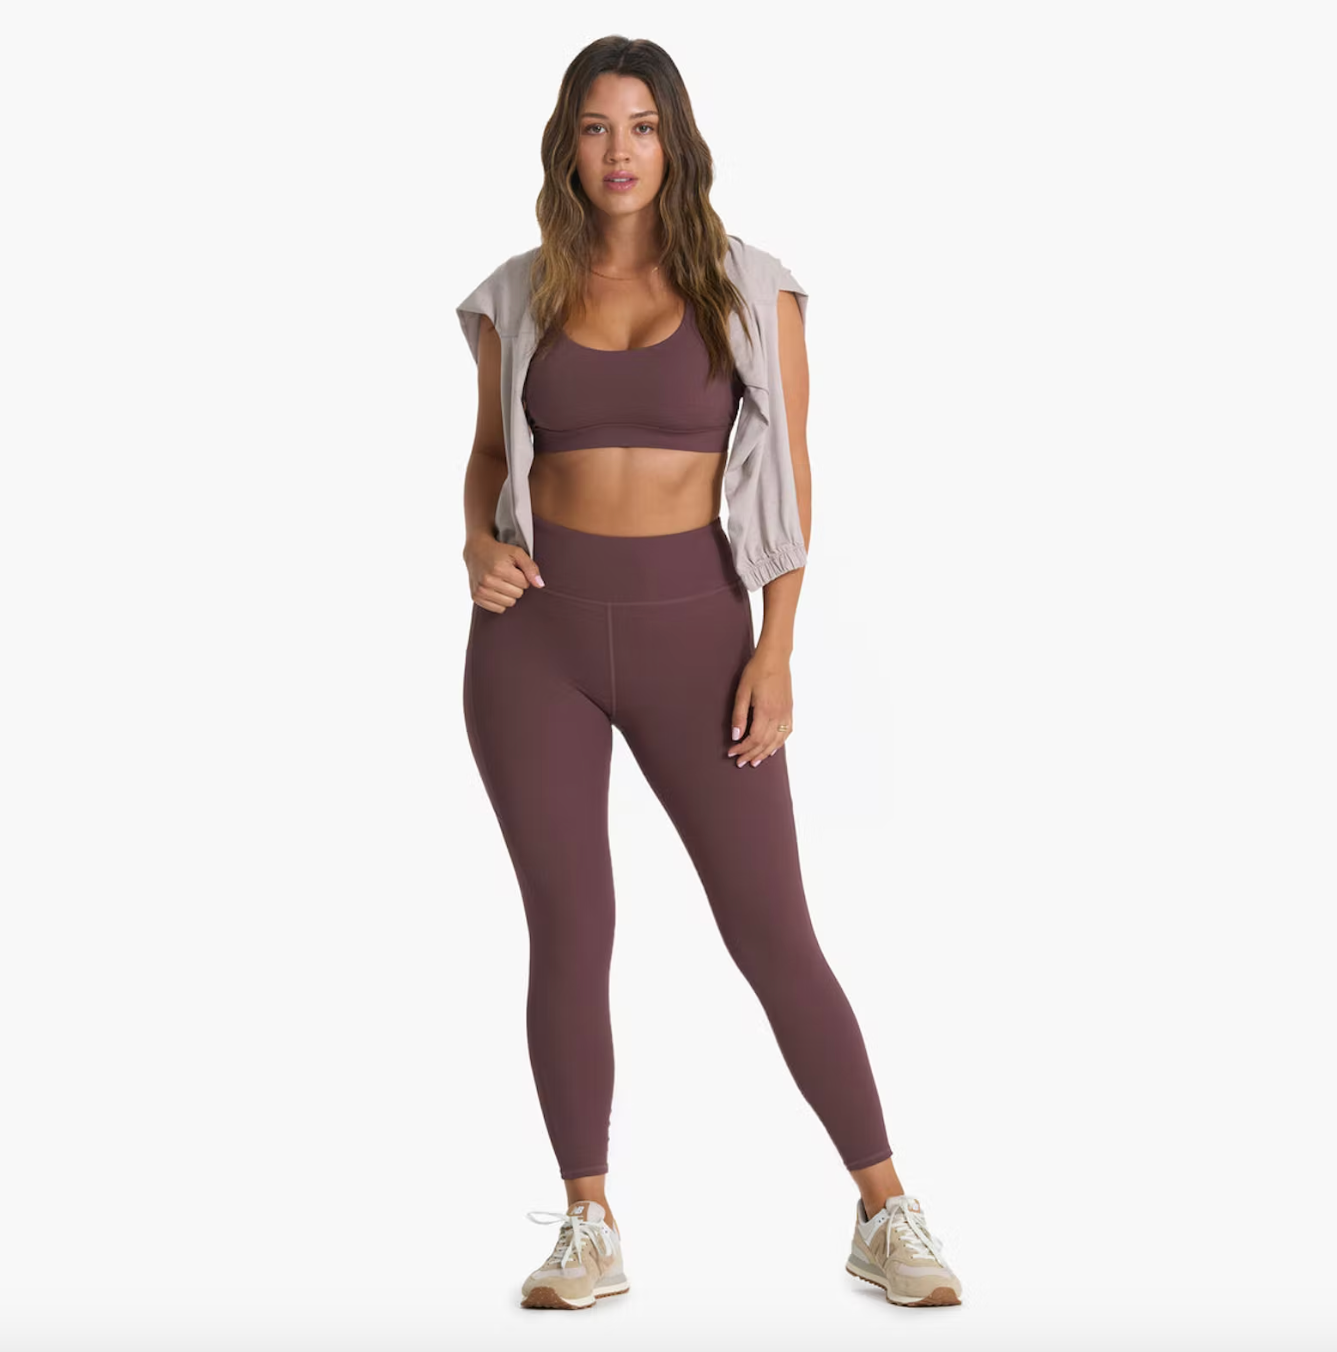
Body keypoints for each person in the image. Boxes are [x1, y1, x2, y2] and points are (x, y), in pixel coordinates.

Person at [457, 35, 963, 1312]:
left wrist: (775, 650)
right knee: (571, 924)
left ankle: (884, 1206)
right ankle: (586, 1220)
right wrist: (474, 541)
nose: (618, 151)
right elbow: (487, 458)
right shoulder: (516, 292)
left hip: (697, 635)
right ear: (566, 146)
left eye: (640, 126)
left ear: (674, 140)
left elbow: (788, 476)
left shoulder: (750, 287)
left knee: (771, 928)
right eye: (594, 127)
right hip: (533, 640)